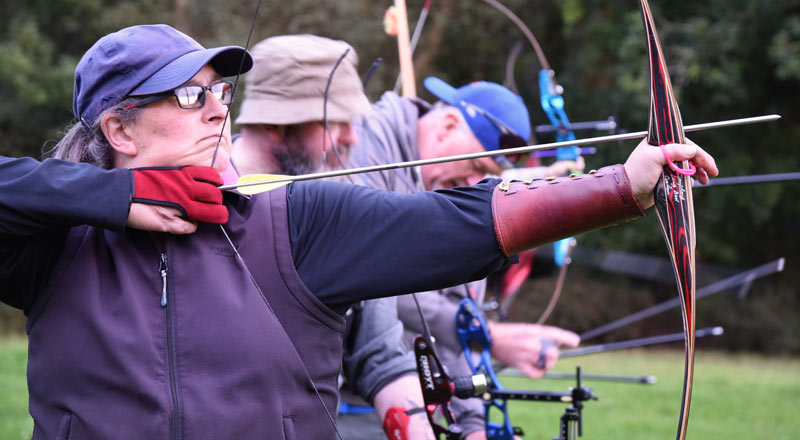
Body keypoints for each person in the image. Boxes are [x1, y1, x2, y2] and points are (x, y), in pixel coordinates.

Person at [0, 24, 717, 440]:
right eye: (190, 95)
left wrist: (622, 187)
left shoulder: (292, 220)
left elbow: (461, 221)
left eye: (221, 92)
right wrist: (106, 196)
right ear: (119, 128)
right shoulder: (53, 244)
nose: (217, 110)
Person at [344, 78, 590, 437]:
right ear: (447, 126)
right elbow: (372, 278)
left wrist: (473, 427)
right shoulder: (367, 149)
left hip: (395, 401)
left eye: (488, 177)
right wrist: (486, 335)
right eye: (477, 167)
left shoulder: (456, 192)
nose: (474, 182)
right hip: (335, 401)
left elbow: (463, 315)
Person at [229, 33, 432, 438]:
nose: (352, 138)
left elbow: (382, 357)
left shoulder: (342, 213)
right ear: (273, 123)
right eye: (334, 121)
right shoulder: (196, 205)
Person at [230, 34, 369, 177]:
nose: (353, 138)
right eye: (331, 124)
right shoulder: (214, 194)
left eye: (351, 120)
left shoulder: (328, 179)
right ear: (272, 125)